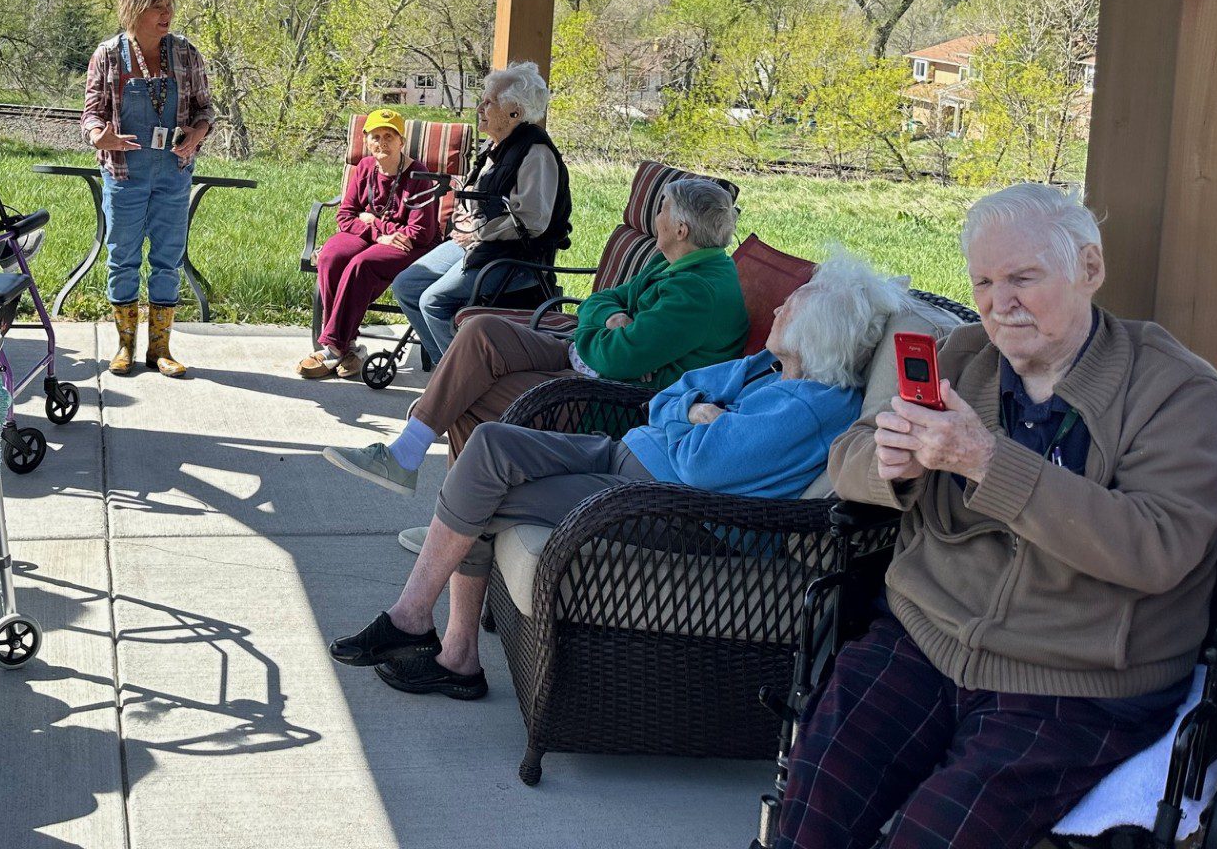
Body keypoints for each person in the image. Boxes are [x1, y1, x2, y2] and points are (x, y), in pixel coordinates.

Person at [775, 185, 1217, 849]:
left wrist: (988, 460)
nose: (998, 303)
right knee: (809, 818)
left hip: (1077, 683)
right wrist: (891, 463)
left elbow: (1158, 547)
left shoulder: (1176, 390)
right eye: (984, 281)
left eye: (1023, 278)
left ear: (1089, 270)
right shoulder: (958, 358)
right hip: (923, 641)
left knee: (934, 836)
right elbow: (850, 456)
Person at [330, 253, 905, 700]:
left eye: (793, 305)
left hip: (666, 505)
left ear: (819, 331)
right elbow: (669, 401)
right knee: (489, 444)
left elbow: (702, 464)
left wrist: (698, 416)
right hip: (629, 454)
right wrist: (695, 412)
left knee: (482, 492)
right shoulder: (766, 368)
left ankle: (434, 641)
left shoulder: (806, 407)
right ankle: (441, 643)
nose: (777, 309)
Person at [325, 175, 748, 495]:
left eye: (663, 209)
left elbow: (617, 359)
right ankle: (416, 467)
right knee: (482, 330)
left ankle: (451, 517)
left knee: (467, 394)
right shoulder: (674, 261)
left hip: (615, 402)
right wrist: (606, 321)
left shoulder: (698, 291)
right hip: (587, 360)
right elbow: (604, 300)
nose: (655, 217)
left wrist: (599, 326)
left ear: (681, 229)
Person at [389, 62, 572, 372]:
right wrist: (464, 218)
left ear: (514, 111)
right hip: (479, 245)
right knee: (406, 285)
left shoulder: (536, 153)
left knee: (433, 302)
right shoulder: (495, 146)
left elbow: (532, 221)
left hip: (515, 258)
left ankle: (463, 379)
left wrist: (479, 232)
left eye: (490, 101)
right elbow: (478, 195)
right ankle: (447, 367)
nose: (481, 107)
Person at [80, 0, 215, 378]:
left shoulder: (187, 54)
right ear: (134, 10)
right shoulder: (108, 55)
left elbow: (206, 110)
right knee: (122, 258)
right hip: (124, 175)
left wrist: (196, 133)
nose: (167, 13)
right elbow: (91, 114)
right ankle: (124, 346)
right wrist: (98, 137)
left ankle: (160, 349)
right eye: (158, 6)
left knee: (167, 260)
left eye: (169, 5)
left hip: (173, 173)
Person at [298, 108, 444, 380]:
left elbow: (421, 231)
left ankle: (332, 348)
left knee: (362, 264)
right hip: (376, 236)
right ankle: (351, 348)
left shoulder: (419, 175)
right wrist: (379, 232)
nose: (382, 142)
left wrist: (375, 223)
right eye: (375, 136)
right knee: (332, 256)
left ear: (401, 141)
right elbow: (345, 216)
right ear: (366, 141)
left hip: (412, 246)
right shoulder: (365, 167)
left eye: (389, 136)